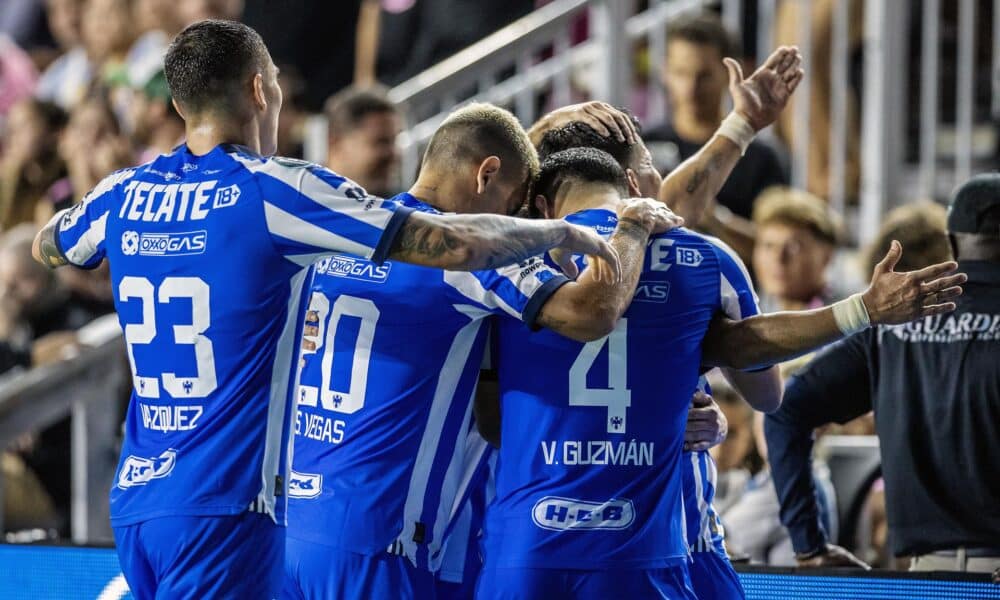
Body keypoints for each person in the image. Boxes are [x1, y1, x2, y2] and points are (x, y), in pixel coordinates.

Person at [30, 19, 619, 599]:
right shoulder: (275, 191)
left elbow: (51, 245)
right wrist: (560, 234)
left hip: (136, 504)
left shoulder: (122, 192)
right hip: (225, 506)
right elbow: (455, 242)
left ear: (180, 104)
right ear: (261, 90)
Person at [284, 102, 683, 600]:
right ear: (486, 174)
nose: (516, 223)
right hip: (376, 540)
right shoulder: (466, 254)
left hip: (289, 528)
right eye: (516, 206)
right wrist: (632, 225)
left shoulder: (350, 232)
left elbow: (483, 155)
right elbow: (591, 313)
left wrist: (532, 135)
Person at [766, 175, 1000, 574]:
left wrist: (809, 544)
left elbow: (785, 409)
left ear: (953, 242)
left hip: (925, 578)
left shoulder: (893, 327)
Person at [643, 12, 787, 260]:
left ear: (730, 73)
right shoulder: (643, 144)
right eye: (680, 73)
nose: (690, 88)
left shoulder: (761, 157)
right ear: (664, 71)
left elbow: (780, 248)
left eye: (704, 75)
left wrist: (717, 218)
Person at [752, 186, 843, 312]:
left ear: (827, 256)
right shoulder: (749, 310)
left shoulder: (852, 320)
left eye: (793, 247)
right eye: (768, 246)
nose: (778, 258)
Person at [323, 85, 401, 198]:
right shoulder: (301, 205)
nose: (394, 154)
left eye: (394, 141)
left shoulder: (403, 207)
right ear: (336, 143)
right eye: (381, 142)